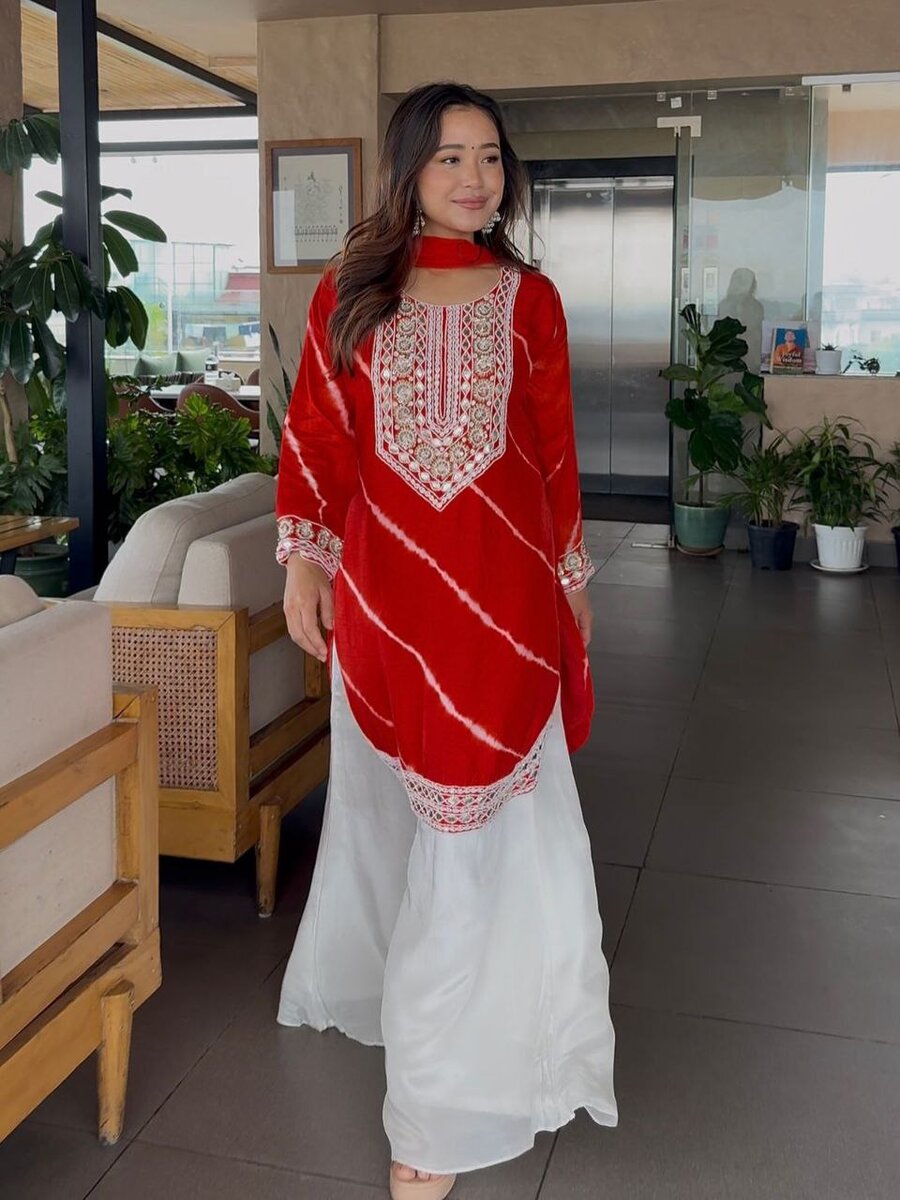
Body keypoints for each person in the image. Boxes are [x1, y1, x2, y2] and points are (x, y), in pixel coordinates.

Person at [275, 81, 617, 1200]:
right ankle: (435, 1040)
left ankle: (434, 1113)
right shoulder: (350, 293)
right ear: (409, 170)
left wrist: (571, 588)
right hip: (388, 603)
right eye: (451, 157)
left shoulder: (532, 300)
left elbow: (555, 458)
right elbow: (318, 437)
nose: (477, 178)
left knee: (473, 834)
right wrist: (303, 561)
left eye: (491, 157)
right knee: (411, 824)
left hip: (505, 604)